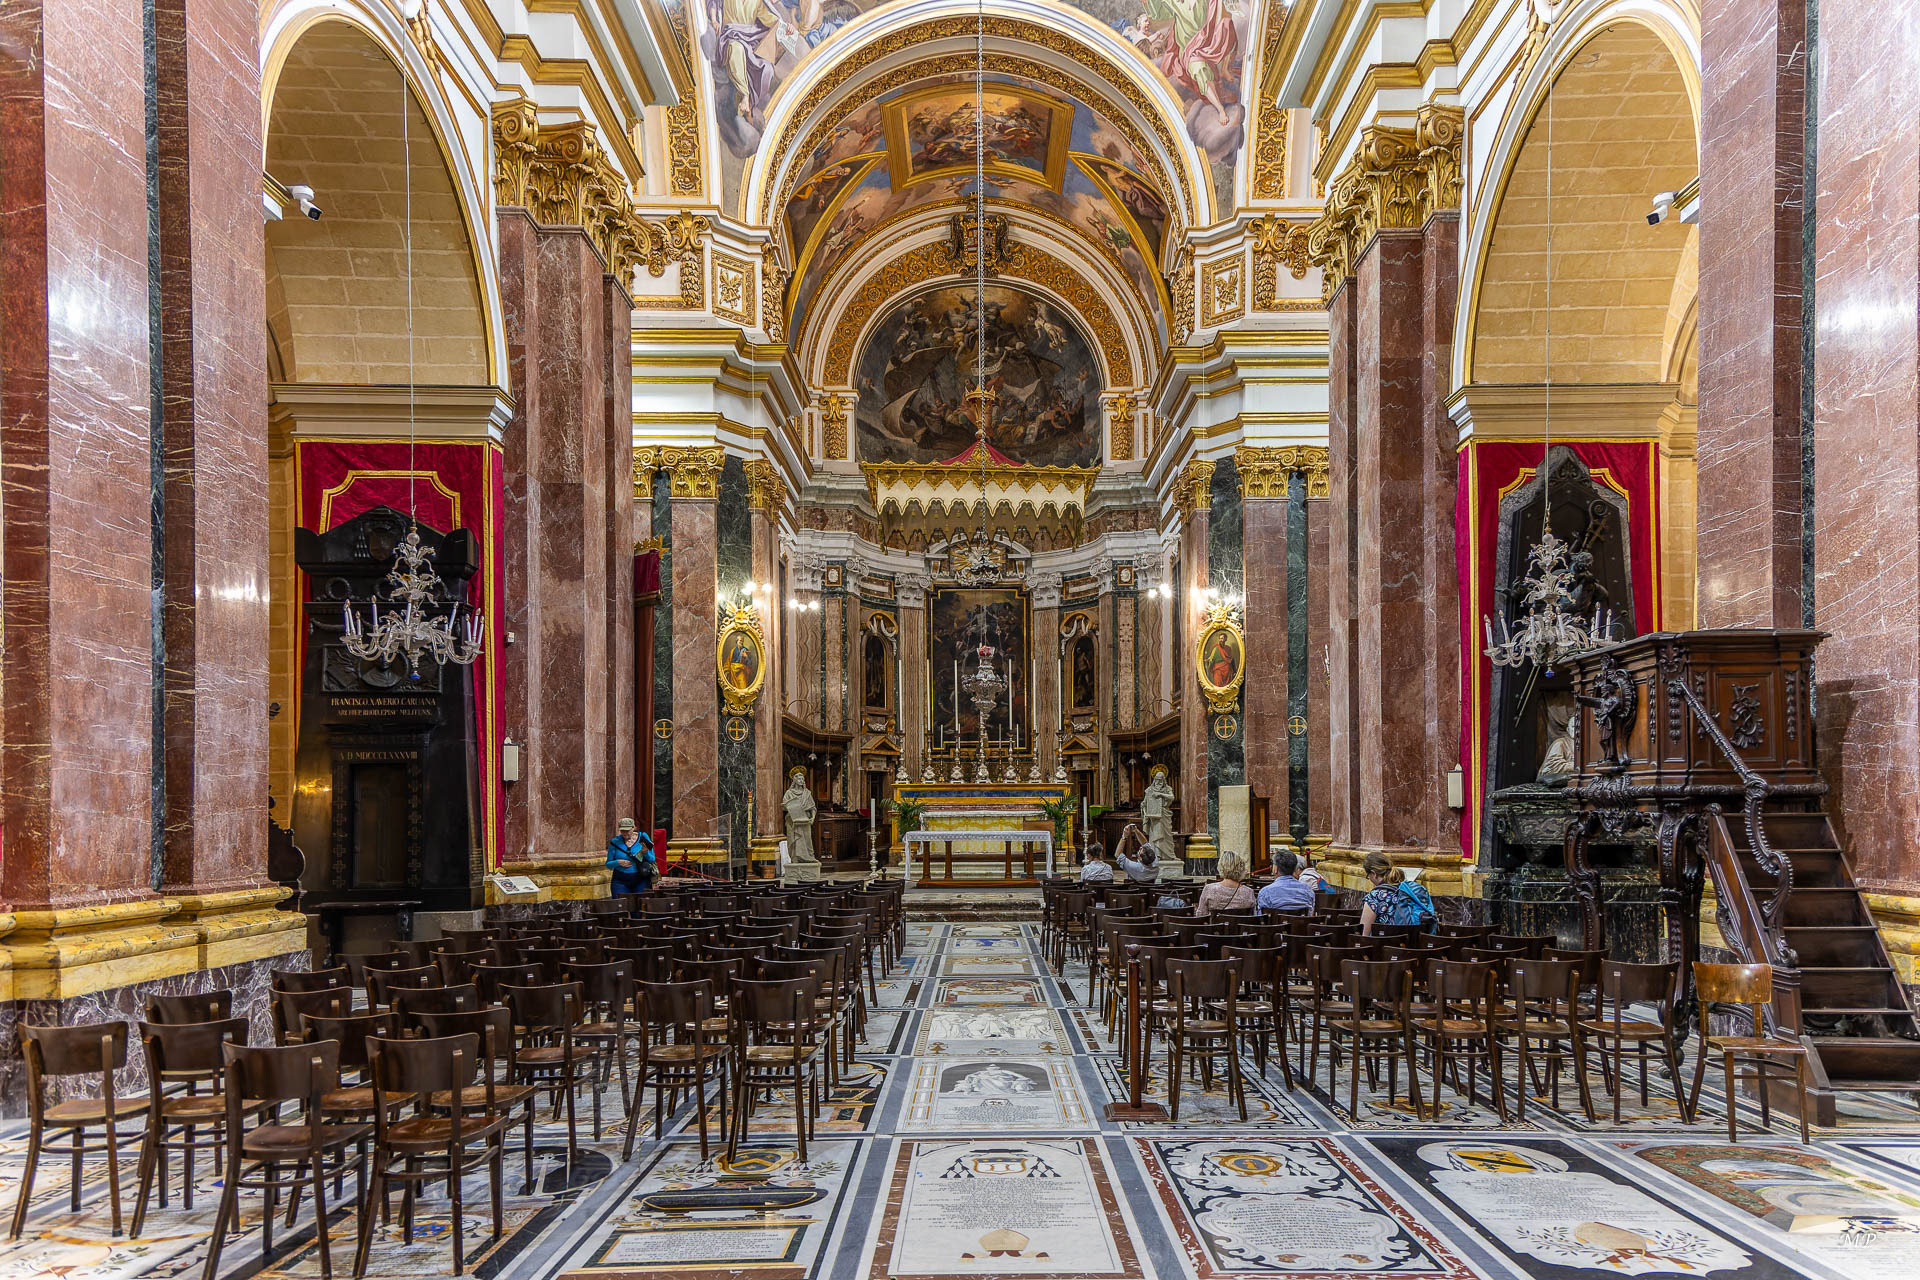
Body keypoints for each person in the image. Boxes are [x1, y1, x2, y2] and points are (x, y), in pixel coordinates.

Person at [1359, 851, 1436, 935]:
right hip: (1418, 944)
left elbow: (1364, 935)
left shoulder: (1374, 897)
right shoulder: (1412, 889)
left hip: (1387, 946)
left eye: (1368, 876)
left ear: (1374, 874)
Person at [1195, 850, 1256, 918]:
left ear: (1221, 867)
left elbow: (1200, 916)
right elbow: (1253, 919)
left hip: (1216, 928)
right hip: (1240, 928)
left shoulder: (1209, 889)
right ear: (1241, 868)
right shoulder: (1249, 892)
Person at [1256, 848, 1316, 915]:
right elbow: (1310, 915)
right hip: (1301, 925)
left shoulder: (1265, 892)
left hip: (1276, 924)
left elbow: (1261, 918)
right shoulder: (1308, 891)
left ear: (1275, 869)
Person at [606, 818, 655, 896]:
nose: (625, 833)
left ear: (633, 828)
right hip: (620, 880)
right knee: (620, 905)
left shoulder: (643, 836)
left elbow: (652, 859)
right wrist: (617, 862)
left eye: (627, 831)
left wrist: (645, 852)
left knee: (641, 904)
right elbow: (608, 864)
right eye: (622, 831)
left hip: (641, 879)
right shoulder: (615, 841)